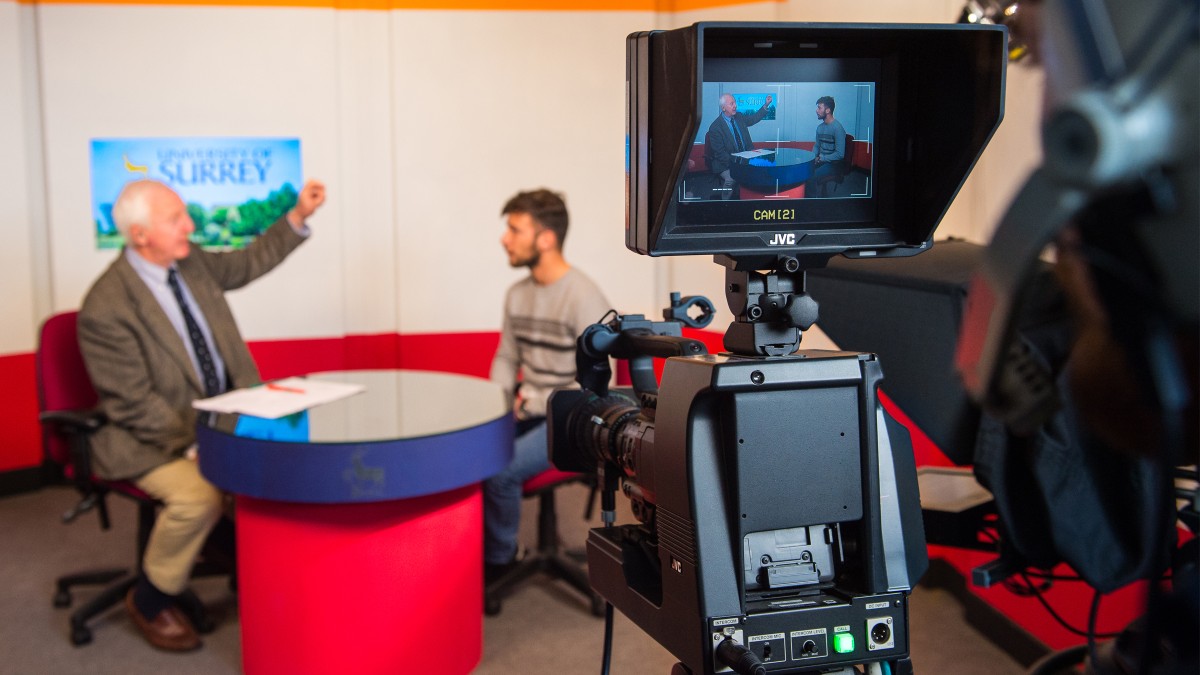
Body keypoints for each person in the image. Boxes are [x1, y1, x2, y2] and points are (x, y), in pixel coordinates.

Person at [77, 177, 326, 651]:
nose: (189, 226)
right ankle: (149, 600)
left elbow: (246, 262)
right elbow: (132, 405)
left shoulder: (190, 264)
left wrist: (297, 217)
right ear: (141, 236)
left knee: (279, 469)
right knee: (202, 498)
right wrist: (200, 442)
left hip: (224, 417)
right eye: (176, 220)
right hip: (150, 438)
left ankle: (241, 563)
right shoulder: (106, 308)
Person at [483, 188, 610, 581]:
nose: (505, 238)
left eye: (515, 230)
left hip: (572, 419)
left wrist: (541, 407)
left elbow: (599, 384)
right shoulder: (516, 295)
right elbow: (506, 358)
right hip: (529, 410)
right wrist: (496, 407)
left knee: (499, 473)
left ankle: (500, 560)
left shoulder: (583, 296)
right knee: (472, 454)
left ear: (546, 239)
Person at [704, 93, 773, 199]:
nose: (735, 105)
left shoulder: (739, 116)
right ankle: (725, 204)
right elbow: (720, 154)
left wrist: (766, 105)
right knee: (731, 179)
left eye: (735, 102)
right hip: (726, 163)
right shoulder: (715, 128)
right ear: (723, 108)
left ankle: (754, 199)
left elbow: (753, 119)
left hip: (745, 157)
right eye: (731, 104)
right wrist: (738, 167)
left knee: (762, 168)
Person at [808, 96, 847, 197]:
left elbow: (840, 154)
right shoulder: (820, 128)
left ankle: (811, 203)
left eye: (819, 108)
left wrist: (821, 158)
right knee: (804, 171)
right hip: (821, 161)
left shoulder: (838, 128)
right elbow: (817, 146)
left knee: (811, 177)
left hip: (834, 164)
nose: (816, 111)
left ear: (828, 110)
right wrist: (812, 158)